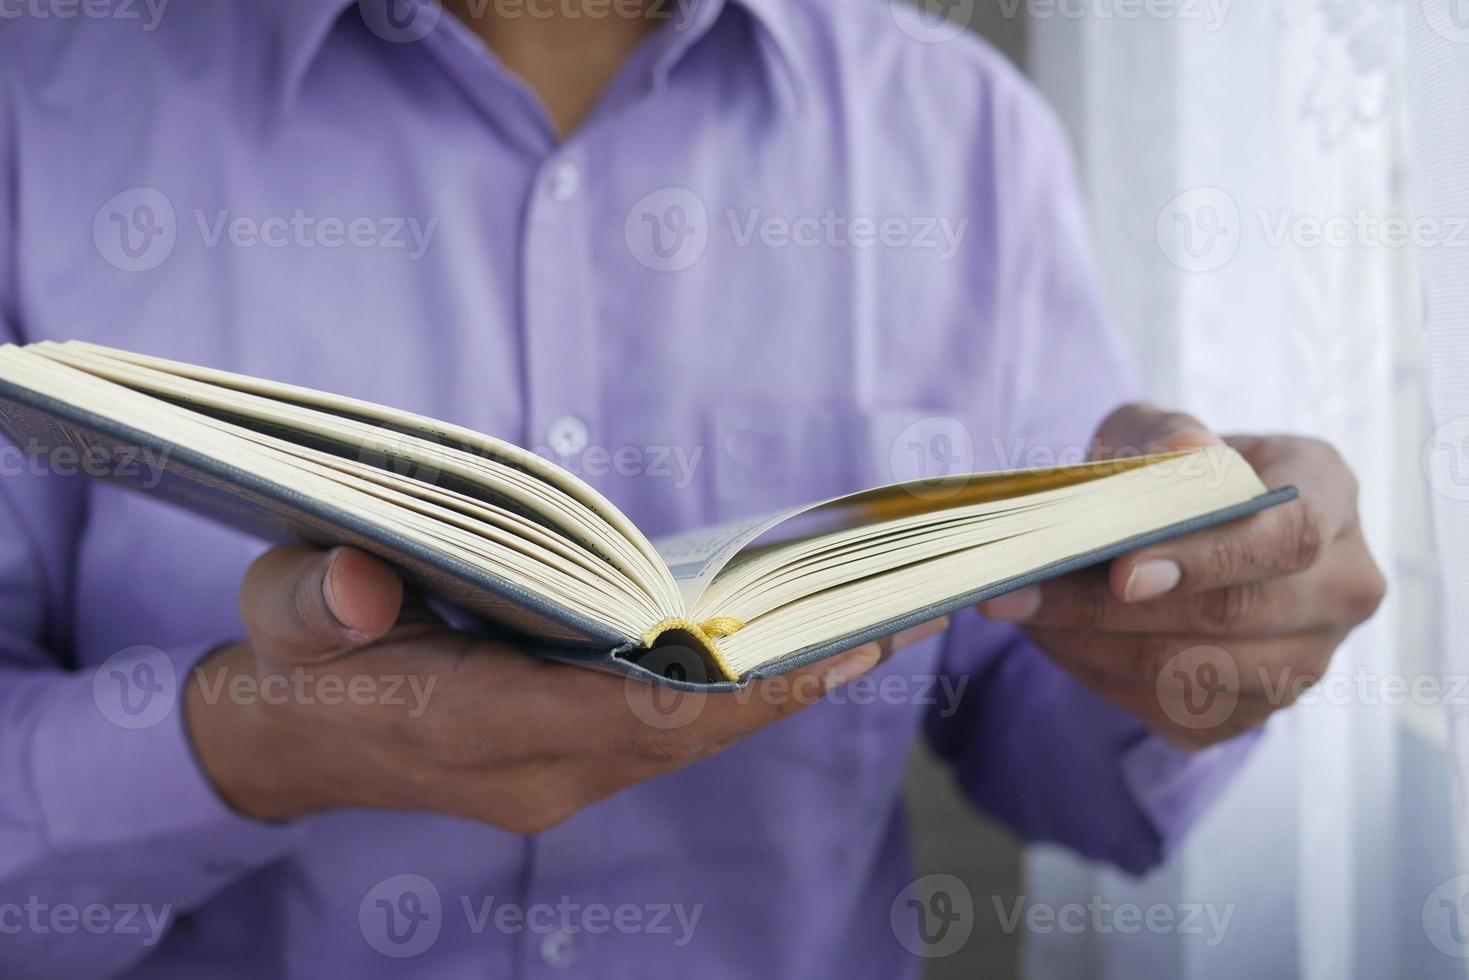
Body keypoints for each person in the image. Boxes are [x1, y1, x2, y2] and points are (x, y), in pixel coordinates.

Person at [0, 0, 1385, 975]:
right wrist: (248, 750)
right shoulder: (37, 101)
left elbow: (1055, 759)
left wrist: (1208, 627)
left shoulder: (959, 136)